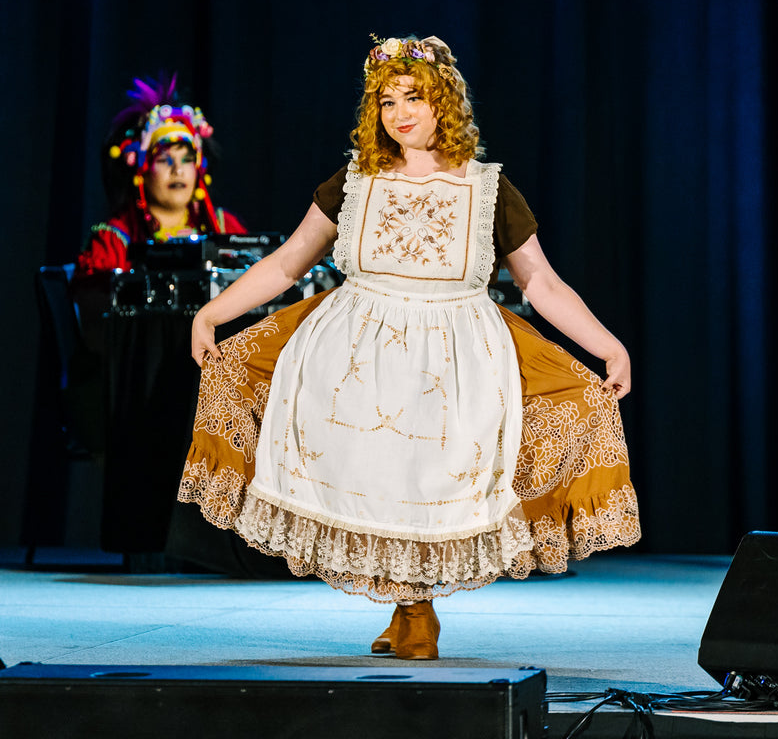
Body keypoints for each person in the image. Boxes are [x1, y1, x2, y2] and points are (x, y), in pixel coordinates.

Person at [179, 36, 640, 660]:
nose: (399, 113)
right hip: (356, 344)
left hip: (454, 350)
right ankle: (409, 610)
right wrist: (213, 312)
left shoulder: (487, 189)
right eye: (387, 100)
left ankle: (417, 612)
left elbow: (542, 284)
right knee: (374, 472)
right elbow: (289, 262)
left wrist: (608, 346)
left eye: (414, 98)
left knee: (428, 479)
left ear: (442, 102)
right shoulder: (355, 179)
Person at [76, 75, 246, 276]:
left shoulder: (225, 227)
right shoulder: (113, 240)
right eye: (165, 160)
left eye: (187, 160)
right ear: (142, 169)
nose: (178, 170)